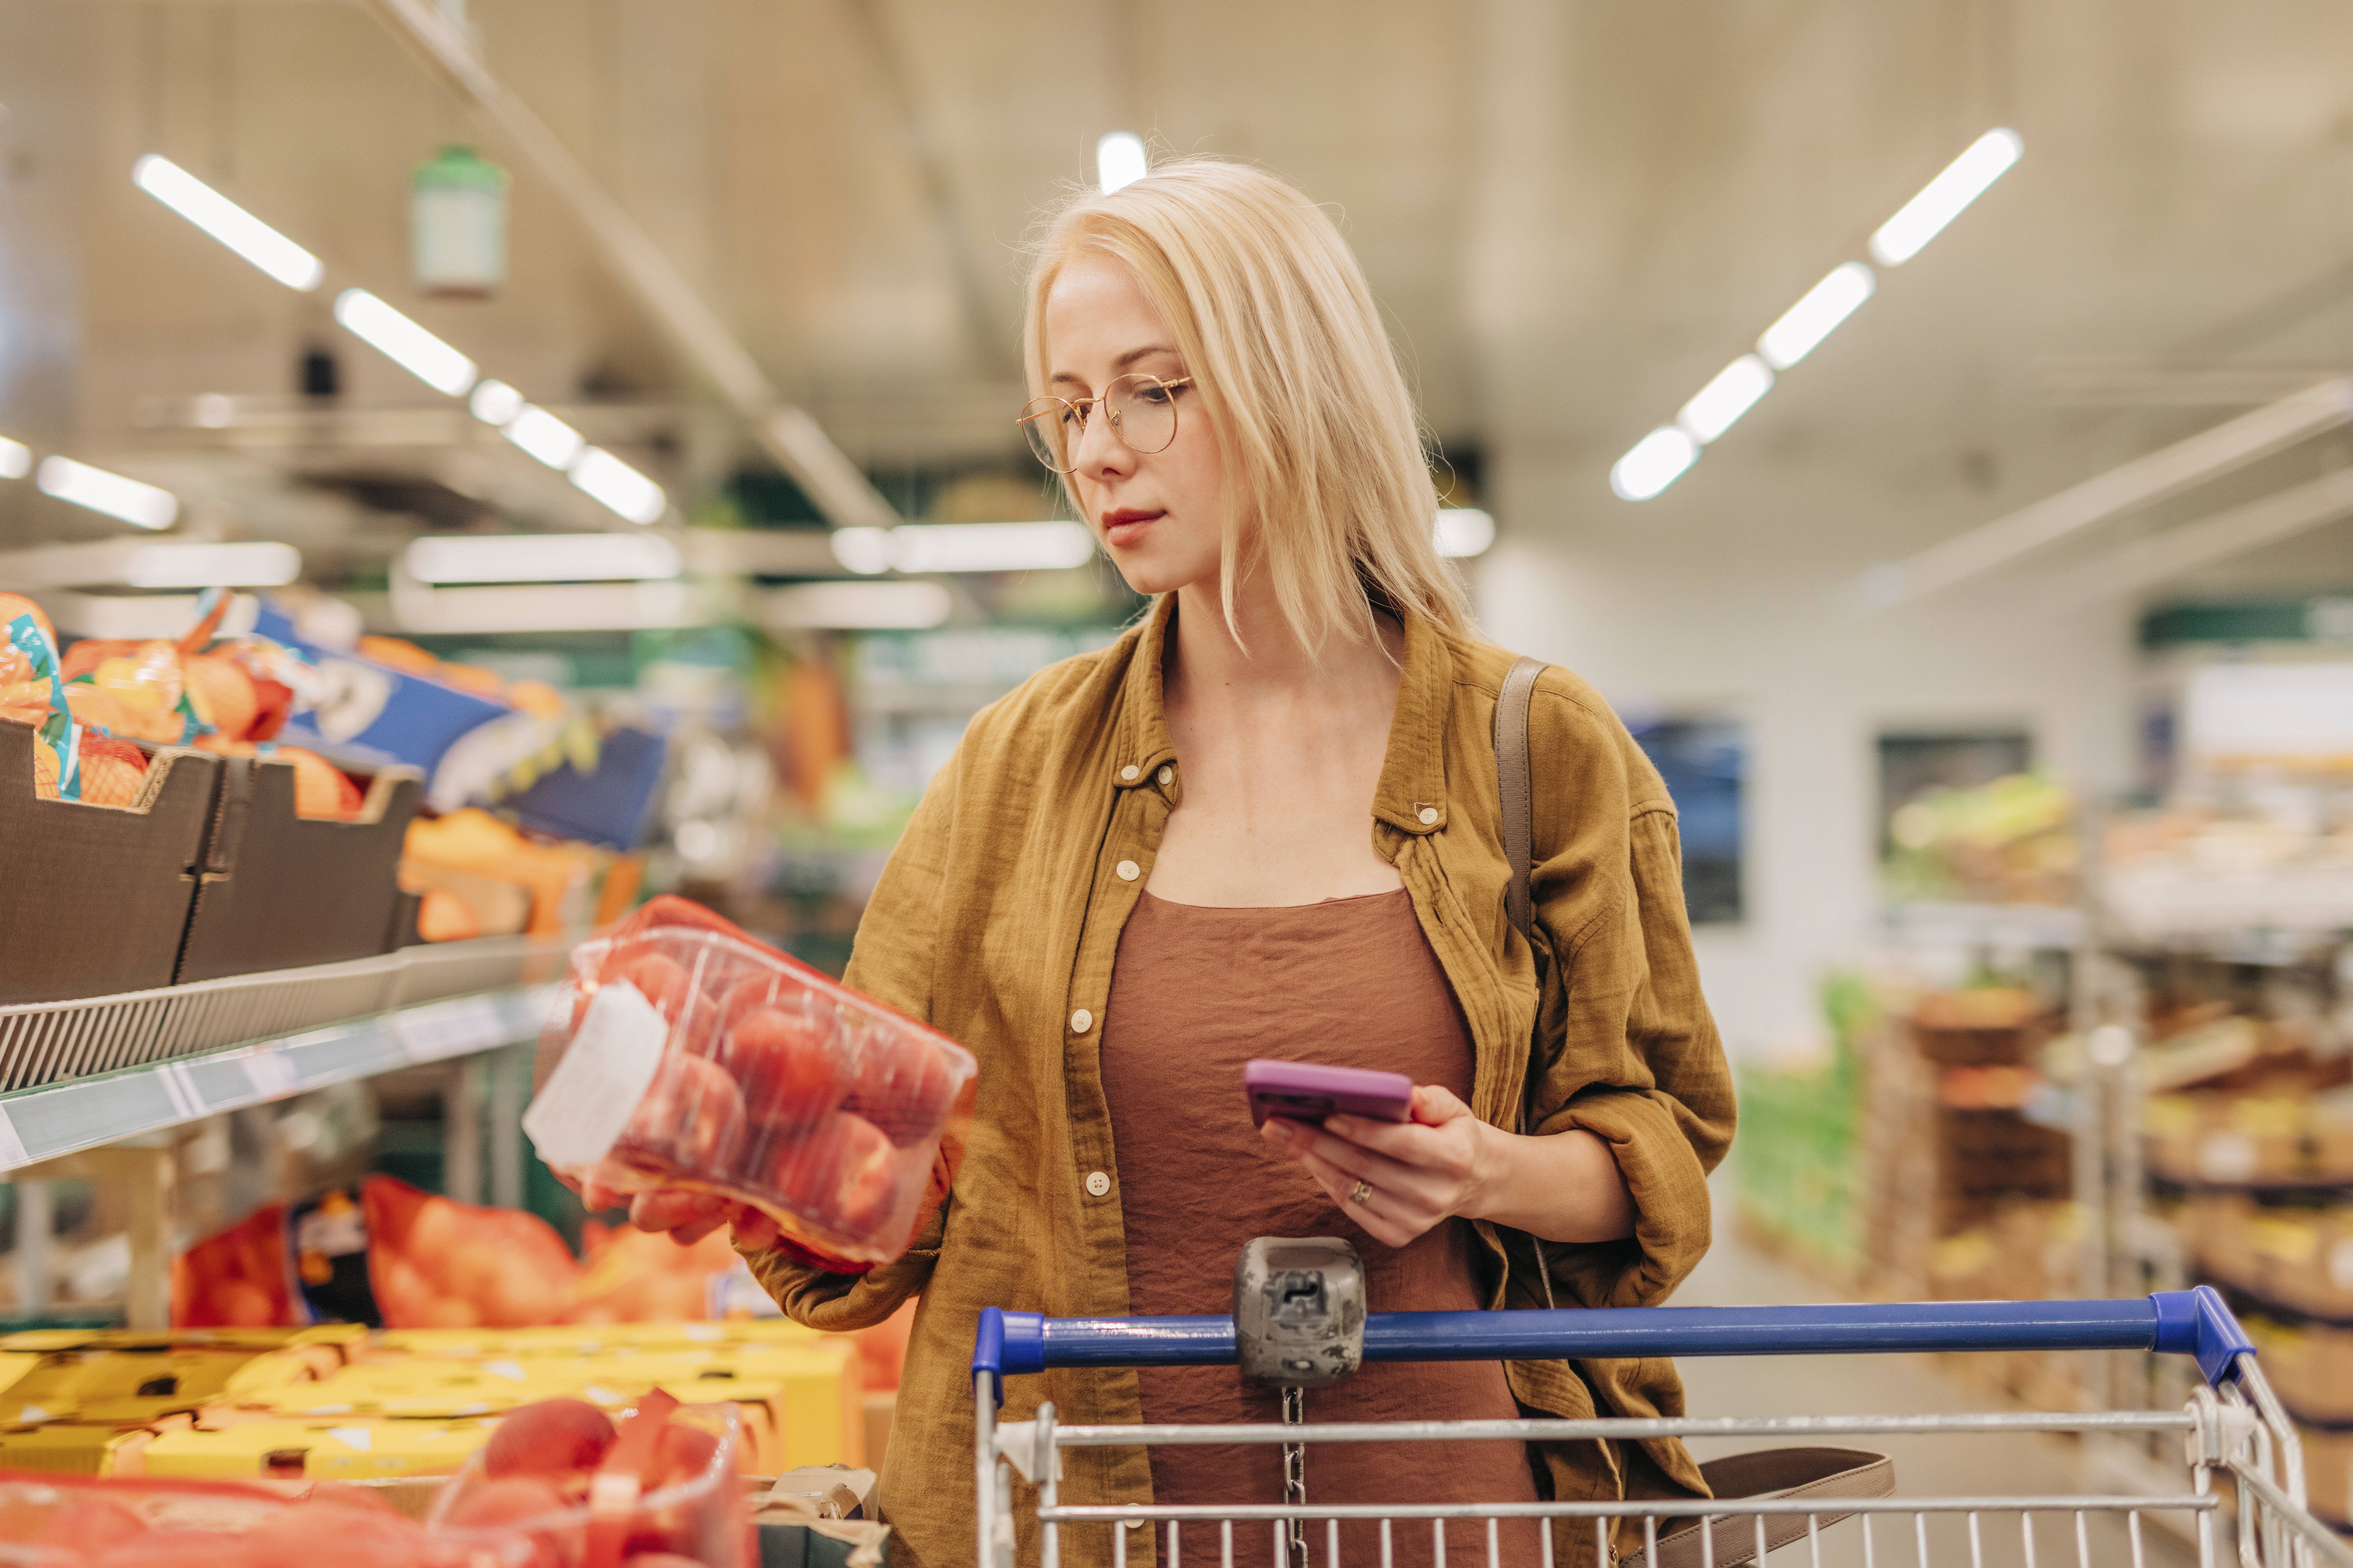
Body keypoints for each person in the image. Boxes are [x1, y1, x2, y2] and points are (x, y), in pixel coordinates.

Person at [625, 157, 1735, 1568]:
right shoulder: (1016, 770)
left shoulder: (1534, 747)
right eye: (1072, 409)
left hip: (1445, 1518)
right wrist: (734, 1126)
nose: (1099, 451)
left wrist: (1487, 1171)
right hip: (1076, 1522)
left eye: (1155, 389)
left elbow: (1660, 1149)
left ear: (1295, 384)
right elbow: (881, 1191)